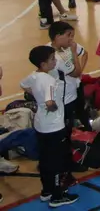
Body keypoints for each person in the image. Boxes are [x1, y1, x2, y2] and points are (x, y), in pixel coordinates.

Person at [21, 45, 79, 207]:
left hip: (40, 124)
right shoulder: (50, 80)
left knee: (45, 158)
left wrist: (38, 98)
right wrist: (54, 107)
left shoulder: (34, 76)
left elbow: (23, 85)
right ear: (43, 64)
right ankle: (57, 196)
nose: (55, 61)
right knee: (57, 161)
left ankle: (46, 190)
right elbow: (49, 102)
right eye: (52, 59)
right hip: (54, 126)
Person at [48, 22, 89, 130]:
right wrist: (74, 53)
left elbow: (85, 53)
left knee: (80, 113)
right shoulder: (58, 58)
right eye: (68, 36)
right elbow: (76, 73)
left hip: (72, 90)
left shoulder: (49, 48)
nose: (71, 39)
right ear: (58, 36)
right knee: (67, 124)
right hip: (66, 98)